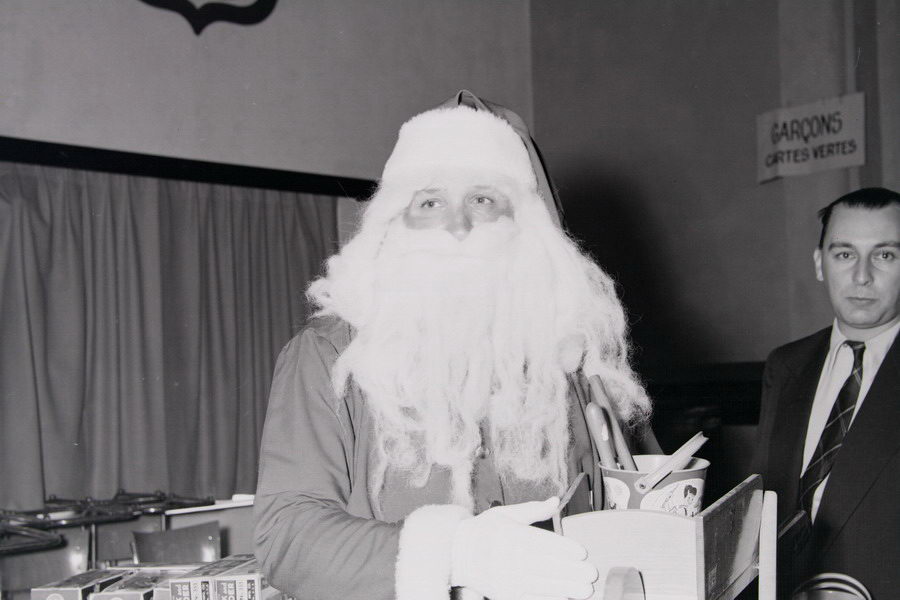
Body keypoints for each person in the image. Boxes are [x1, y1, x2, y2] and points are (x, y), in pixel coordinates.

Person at [254, 93, 656, 600]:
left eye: (482, 200)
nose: (458, 226)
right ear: (393, 221)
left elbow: (637, 498)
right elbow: (286, 536)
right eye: (430, 203)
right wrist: (455, 555)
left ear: (524, 221)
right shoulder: (327, 355)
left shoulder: (573, 355)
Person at [752, 187, 900, 598]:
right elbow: (763, 502)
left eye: (885, 255)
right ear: (820, 264)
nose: (862, 276)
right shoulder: (786, 365)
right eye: (845, 254)